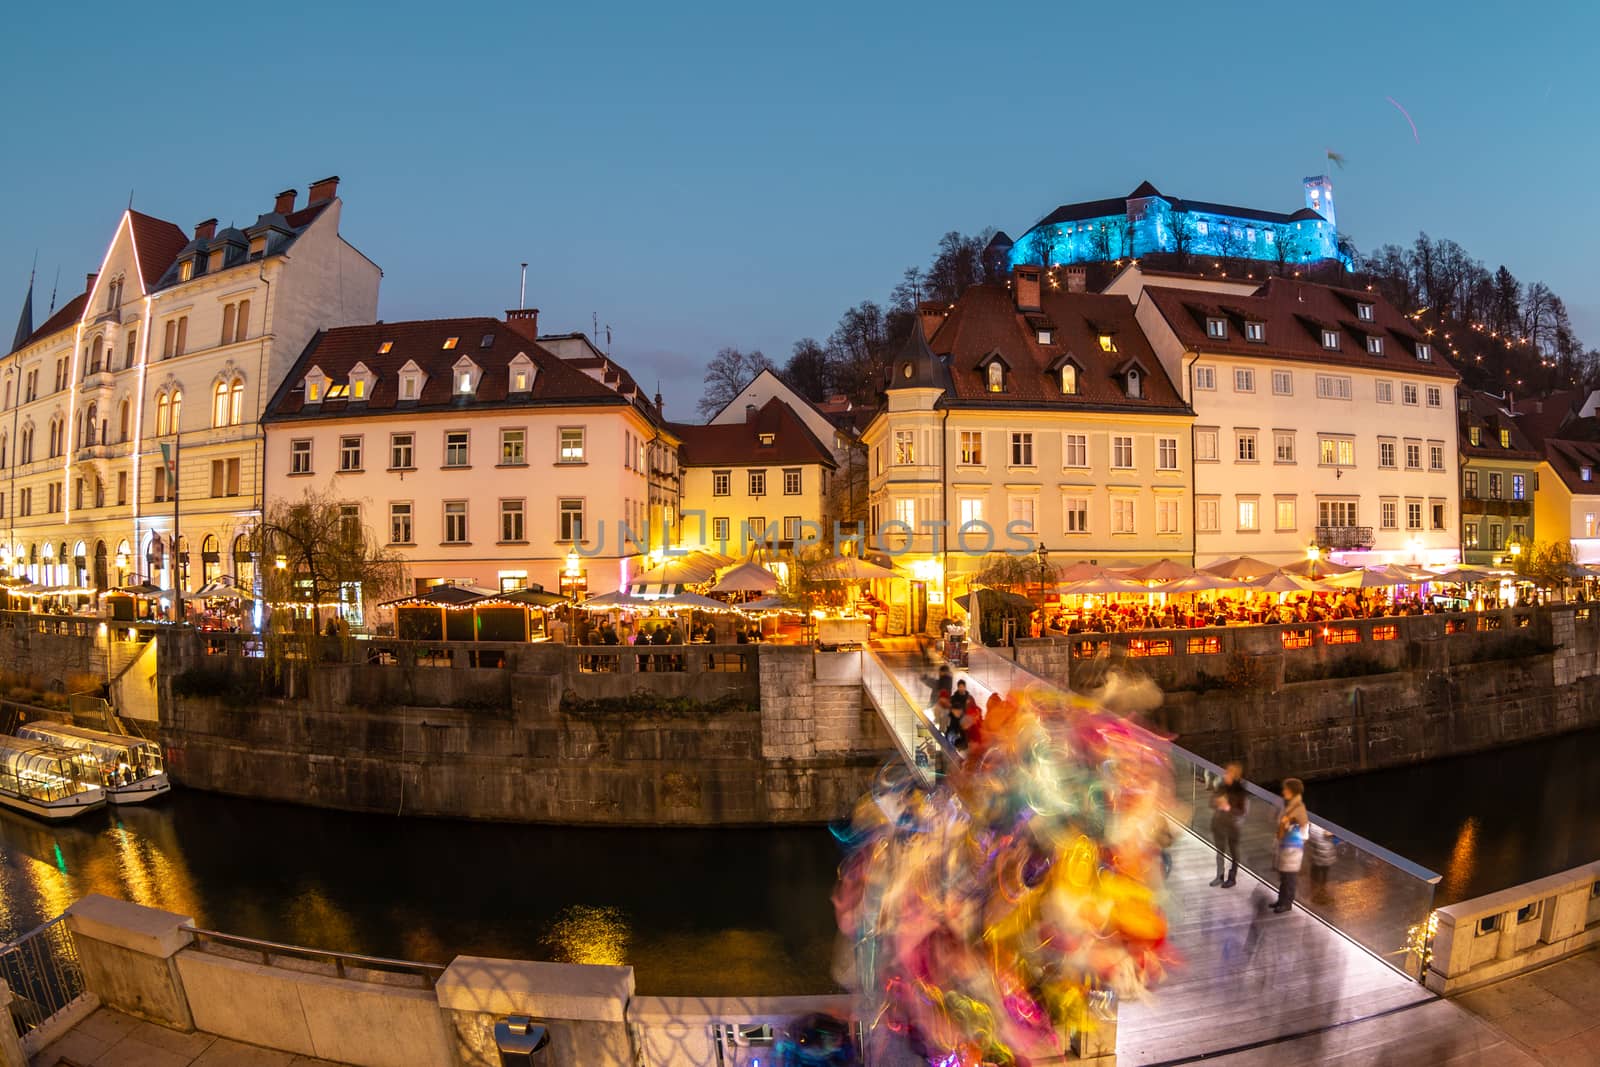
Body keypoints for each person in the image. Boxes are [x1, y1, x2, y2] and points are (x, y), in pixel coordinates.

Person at [1209, 762, 1247, 888]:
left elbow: (1241, 811)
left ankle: (1232, 878)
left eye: (1229, 772)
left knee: (1234, 853)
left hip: (1232, 826)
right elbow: (1211, 803)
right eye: (1226, 772)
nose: (1225, 774)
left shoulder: (1240, 791)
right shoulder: (1221, 786)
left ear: (1235, 775)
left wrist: (1227, 807)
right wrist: (1217, 803)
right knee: (1219, 851)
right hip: (1218, 824)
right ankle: (1219, 876)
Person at [1274, 777, 1309, 913]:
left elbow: (1304, 829)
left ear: (1292, 791)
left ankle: (1287, 902)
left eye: (1286, 789)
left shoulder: (1298, 808)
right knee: (1285, 875)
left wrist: (1288, 826)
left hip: (1293, 847)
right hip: (1287, 845)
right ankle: (1281, 899)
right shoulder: (1291, 805)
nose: (1283, 791)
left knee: (1290, 876)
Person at [1308, 824, 1336, 903]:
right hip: (1324, 854)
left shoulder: (1312, 824)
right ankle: (1319, 897)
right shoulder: (1322, 826)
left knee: (1316, 876)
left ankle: (1316, 895)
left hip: (1316, 854)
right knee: (1323, 877)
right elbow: (1327, 833)